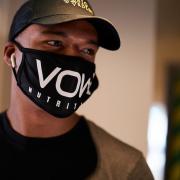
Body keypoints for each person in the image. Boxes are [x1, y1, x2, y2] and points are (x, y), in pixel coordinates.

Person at [1, 0, 154, 179]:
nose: (72, 58)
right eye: (54, 42)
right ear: (11, 53)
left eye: (88, 50)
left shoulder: (125, 168)